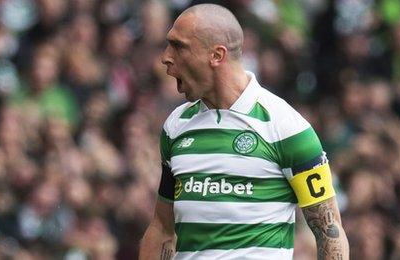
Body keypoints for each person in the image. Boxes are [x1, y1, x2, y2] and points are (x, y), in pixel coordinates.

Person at [139, 4, 349, 260]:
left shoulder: (287, 127)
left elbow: (329, 230)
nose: (166, 57)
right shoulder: (176, 126)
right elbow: (162, 228)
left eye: (178, 46)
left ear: (217, 55)